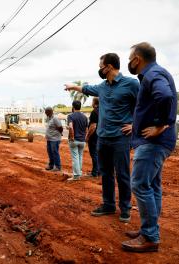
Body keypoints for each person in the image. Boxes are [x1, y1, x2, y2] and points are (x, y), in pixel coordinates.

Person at [64, 53, 139, 223]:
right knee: (106, 173)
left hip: (121, 138)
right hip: (103, 138)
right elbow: (87, 89)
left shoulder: (132, 84)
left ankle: (125, 208)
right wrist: (73, 86)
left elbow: (144, 105)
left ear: (110, 67)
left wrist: (135, 125)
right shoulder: (103, 87)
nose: (100, 70)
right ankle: (108, 204)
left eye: (101, 67)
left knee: (122, 174)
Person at [121, 42, 177, 252]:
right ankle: (148, 230)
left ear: (137, 58)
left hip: (153, 143)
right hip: (156, 142)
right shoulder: (155, 74)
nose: (129, 63)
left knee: (140, 185)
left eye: (129, 59)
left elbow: (164, 96)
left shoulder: (153, 74)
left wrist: (160, 125)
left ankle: (150, 237)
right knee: (152, 186)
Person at [66, 100, 88, 181]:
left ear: (73, 107)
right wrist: (85, 138)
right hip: (82, 140)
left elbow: (71, 127)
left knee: (75, 157)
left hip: (74, 140)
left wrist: (72, 136)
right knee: (80, 156)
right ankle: (79, 173)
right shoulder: (85, 117)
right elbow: (86, 129)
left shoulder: (70, 116)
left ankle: (76, 176)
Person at [45, 106, 63, 171]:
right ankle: (51, 165)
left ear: (50, 112)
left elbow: (60, 127)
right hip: (49, 139)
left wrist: (60, 133)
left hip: (55, 139)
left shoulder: (55, 118)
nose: (45, 113)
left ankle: (58, 167)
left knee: (55, 152)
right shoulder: (48, 118)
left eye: (46, 112)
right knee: (50, 152)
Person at [85, 97, 100, 177]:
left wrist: (87, 136)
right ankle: (99, 171)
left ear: (95, 103)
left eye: (92, 101)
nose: (91, 103)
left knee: (94, 154)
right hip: (101, 136)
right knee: (99, 154)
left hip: (94, 137)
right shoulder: (102, 111)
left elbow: (93, 126)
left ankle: (95, 172)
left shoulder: (94, 112)